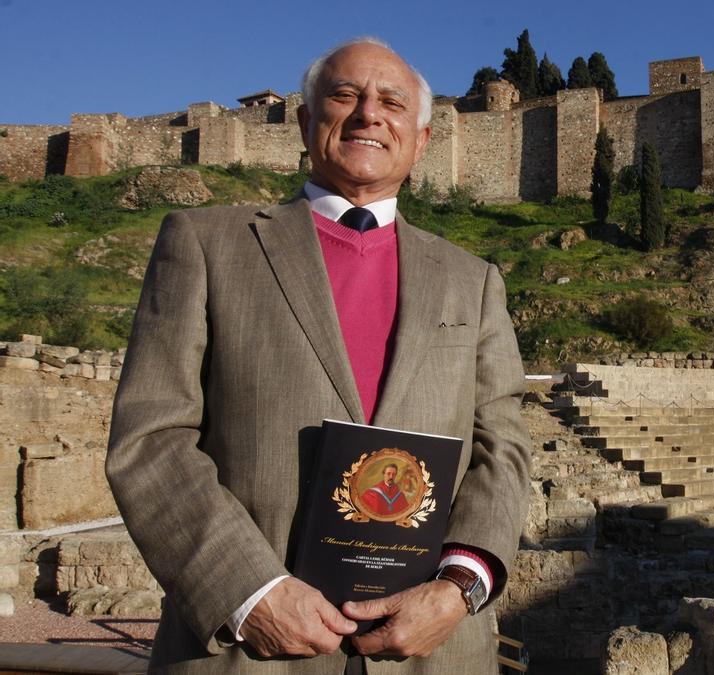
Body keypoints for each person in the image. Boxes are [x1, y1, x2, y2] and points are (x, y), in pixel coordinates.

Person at [106, 37, 531, 673]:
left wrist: (459, 587)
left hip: (436, 652)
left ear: (421, 141)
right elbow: (151, 436)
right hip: (248, 651)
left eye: (391, 102)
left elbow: (503, 448)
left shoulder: (473, 278)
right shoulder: (204, 244)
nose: (368, 114)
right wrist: (248, 591)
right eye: (344, 96)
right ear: (306, 124)